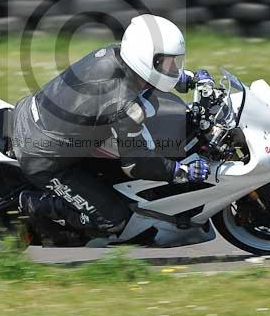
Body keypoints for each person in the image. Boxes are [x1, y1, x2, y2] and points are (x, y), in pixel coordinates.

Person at [12, 14, 213, 239]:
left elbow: (150, 74)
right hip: (45, 159)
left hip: (40, 118)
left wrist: (188, 79)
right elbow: (136, 163)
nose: (173, 67)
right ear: (146, 58)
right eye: (167, 62)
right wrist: (181, 171)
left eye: (174, 62)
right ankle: (27, 203)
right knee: (114, 220)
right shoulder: (121, 102)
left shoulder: (118, 54)